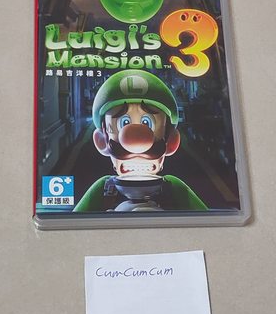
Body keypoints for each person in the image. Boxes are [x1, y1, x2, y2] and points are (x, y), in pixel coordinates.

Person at [73, 70, 208, 212]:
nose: (136, 143)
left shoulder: (173, 188)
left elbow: (209, 222)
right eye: (124, 123)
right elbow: (72, 223)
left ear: (171, 141)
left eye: (147, 123)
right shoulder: (104, 189)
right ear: (101, 141)